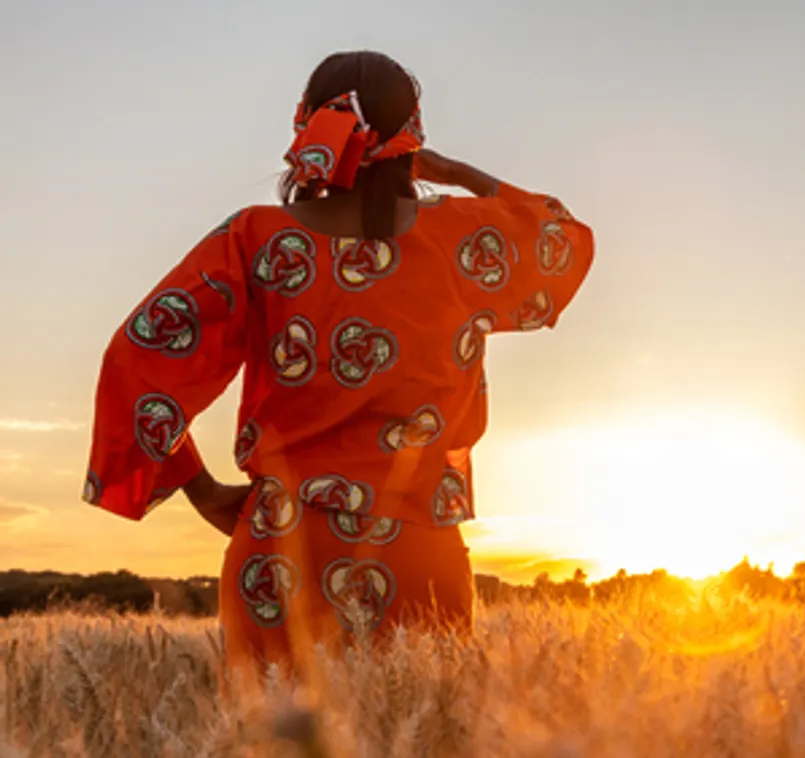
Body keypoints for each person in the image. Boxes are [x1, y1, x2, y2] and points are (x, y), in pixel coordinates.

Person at [81, 50, 595, 676]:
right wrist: (458, 172)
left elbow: (136, 358)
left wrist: (203, 489)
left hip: (282, 546)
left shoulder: (256, 238)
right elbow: (559, 238)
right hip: (417, 553)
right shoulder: (463, 237)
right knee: (421, 734)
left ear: (305, 127)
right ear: (414, 135)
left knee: (277, 740)